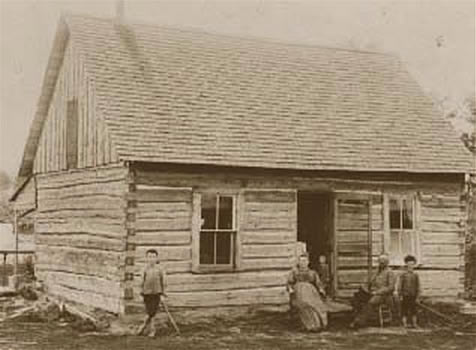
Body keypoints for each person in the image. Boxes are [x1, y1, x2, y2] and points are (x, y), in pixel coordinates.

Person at [350, 254, 396, 329]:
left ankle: (359, 322)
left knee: (371, 302)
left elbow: (391, 287)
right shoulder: (376, 271)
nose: (381, 263)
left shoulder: (390, 272)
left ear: (387, 262)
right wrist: (364, 287)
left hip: (384, 295)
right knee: (356, 299)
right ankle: (357, 319)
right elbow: (370, 281)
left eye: (383, 262)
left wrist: (378, 292)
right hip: (372, 292)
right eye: (380, 261)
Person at [287, 253, 328, 332]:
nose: (303, 263)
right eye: (301, 261)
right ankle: (309, 325)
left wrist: (321, 289)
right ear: (298, 262)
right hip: (299, 292)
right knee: (305, 303)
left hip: (311, 291)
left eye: (305, 261)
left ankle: (318, 324)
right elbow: (289, 282)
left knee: (318, 305)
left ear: (308, 262)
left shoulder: (312, 272)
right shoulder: (294, 272)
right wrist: (290, 289)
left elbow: (318, 283)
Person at [137, 249, 167, 337]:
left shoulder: (160, 269)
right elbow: (141, 282)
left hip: (157, 293)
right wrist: (140, 292)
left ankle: (145, 328)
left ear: (156, 258)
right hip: (146, 293)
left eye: (153, 257)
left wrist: (163, 294)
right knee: (150, 312)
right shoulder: (144, 269)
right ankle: (149, 329)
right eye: (149, 257)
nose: (151, 259)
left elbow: (163, 282)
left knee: (152, 312)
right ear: (146, 258)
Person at [397, 255, 421, 328]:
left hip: (413, 295)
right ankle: (404, 324)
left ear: (414, 265)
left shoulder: (415, 275)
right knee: (404, 310)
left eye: (412, 264)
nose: (411, 266)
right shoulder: (403, 275)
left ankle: (414, 324)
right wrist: (400, 295)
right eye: (409, 264)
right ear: (406, 264)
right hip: (405, 295)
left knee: (414, 310)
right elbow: (400, 285)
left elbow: (418, 286)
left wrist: (417, 296)